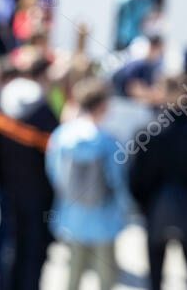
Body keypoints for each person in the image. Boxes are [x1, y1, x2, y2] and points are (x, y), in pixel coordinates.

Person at [128, 76, 187, 290]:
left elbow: (136, 179)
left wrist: (144, 206)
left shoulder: (147, 134)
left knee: (155, 277)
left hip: (155, 209)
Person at [46, 77, 128, 290]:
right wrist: (124, 211)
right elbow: (118, 181)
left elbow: (54, 173)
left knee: (73, 274)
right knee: (106, 276)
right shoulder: (108, 141)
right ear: (103, 105)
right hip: (104, 218)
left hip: (71, 215)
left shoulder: (61, 135)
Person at [0, 76, 59, 290]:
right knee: (32, 249)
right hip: (38, 199)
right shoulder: (45, 117)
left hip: (10, 195)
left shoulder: (0, 116)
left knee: (10, 246)